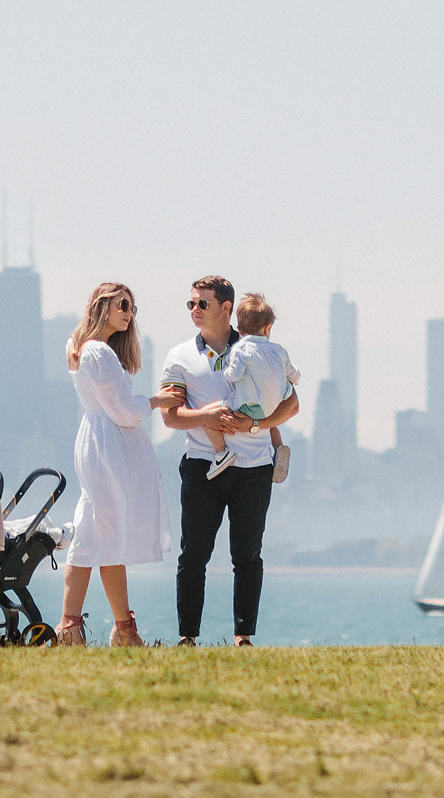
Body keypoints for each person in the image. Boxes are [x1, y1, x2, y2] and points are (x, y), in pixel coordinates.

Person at [159, 275, 298, 646]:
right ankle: (187, 637)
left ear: (226, 308)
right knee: (194, 556)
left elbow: (293, 404)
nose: (194, 310)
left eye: (202, 303)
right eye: (190, 303)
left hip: (254, 469)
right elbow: (170, 417)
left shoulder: (260, 347)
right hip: (202, 465)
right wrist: (208, 418)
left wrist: (256, 423)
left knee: (247, 556)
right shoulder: (179, 356)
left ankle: (243, 638)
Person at [56, 282, 170, 647]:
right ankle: (109, 630)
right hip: (109, 449)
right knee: (103, 534)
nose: (128, 312)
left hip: (100, 444)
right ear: (101, 305)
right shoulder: (97, 353)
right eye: (122, 304)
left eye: (132, 307)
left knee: (96, 535)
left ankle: (98, 628)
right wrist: (155, 401)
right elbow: (122, 411)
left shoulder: (83, 348)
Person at [209, 292, 297, 483]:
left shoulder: (241, 349)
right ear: (268, 327)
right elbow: (294, 374)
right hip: (274, 407)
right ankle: (279, 447)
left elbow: (234, 375)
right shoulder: (279, 350)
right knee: (270, 418)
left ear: (239, 330)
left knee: (209, 413)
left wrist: (225, 372)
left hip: (250, 409)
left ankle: (221, 453)